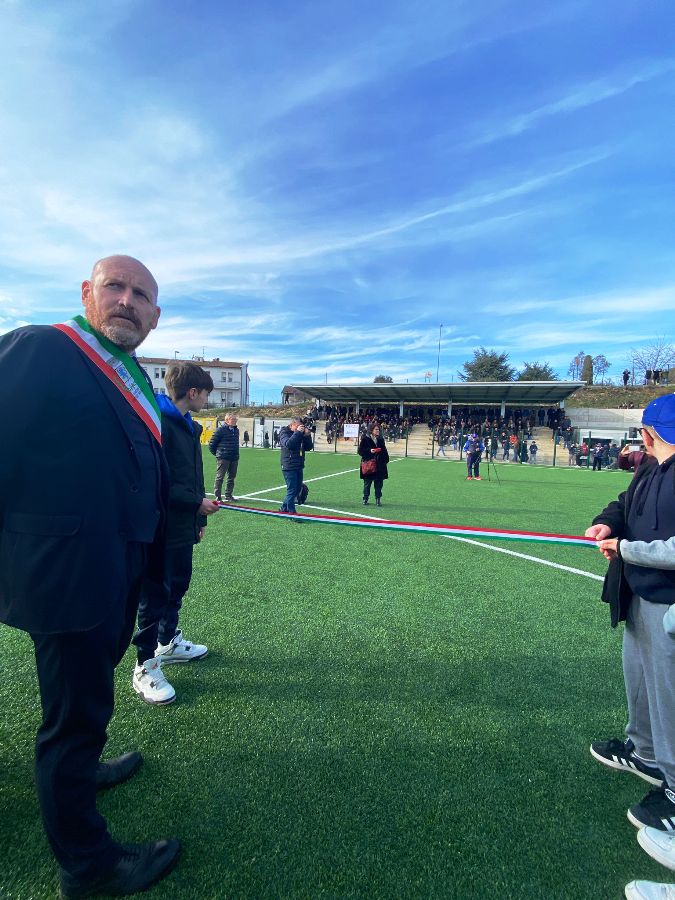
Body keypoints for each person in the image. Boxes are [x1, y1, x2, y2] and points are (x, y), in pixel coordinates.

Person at [0, 256, 180, 896]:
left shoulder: (131, 376)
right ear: (87, 293)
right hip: (66, 574)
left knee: (85, 700)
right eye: (115, 287)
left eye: (142, 295)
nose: (127, 300)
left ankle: (82, 771)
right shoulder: (43, 348)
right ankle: (88, 866)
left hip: (116, 568)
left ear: (155, 316)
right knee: (72, 720)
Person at [585, 395, 675, 836]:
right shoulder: (649, 466)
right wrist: (608, 522)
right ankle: (645, 754)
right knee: (639, 679)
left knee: (669, 695)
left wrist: (625, 549)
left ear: (647, 432)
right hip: (638, 593)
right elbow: (624, 503)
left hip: (669, 604)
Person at [132, 362, 220, 705]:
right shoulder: (159, 424)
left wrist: (199, 521)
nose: (208, 400)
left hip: (184, 525)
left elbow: (193, 478)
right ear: (193, 392)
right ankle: (144, 665)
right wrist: (195, 503)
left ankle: (167, 643)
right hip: (160, 529)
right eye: (206, 394)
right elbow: (156, 482)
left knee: (178, 585)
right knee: (154, 595)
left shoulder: (188, 426)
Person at [278, 417, 313, 513]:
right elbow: (288, 444)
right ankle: (292, 512)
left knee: (297, 489)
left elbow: (308, 447)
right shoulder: (284, 432)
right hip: (288, 466)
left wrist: (307, 436)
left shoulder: (299, 433)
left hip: (298, 465)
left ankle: (283, 508)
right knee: (291, 490)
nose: (300, 428)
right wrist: (298, 432)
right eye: (298, 426)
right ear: (292, 425)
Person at [209, 412, 240, 501]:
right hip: (223, 458)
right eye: (233, 419)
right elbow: (211, 444)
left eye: (236, 419)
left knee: (231, 478)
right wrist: (219, 454)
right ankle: (218, 497)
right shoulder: (220, 430)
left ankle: (228, 495)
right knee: (220, 477)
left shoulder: (236, 430)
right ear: (227, 420)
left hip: (234, 457)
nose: (235, 421)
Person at [359, 423, 390, 505]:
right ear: (371, 430)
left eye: (378, 429)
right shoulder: (365, 439)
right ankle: (365, 499)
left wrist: (385, 460)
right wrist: (370, 451)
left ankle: (378, 499)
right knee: (367, 483)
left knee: (379, 484)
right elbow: (360, 451)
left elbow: (384, 451)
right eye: (376, 429)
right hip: (369, 465)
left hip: (379, 465)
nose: (378, 431)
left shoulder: (381, 440)